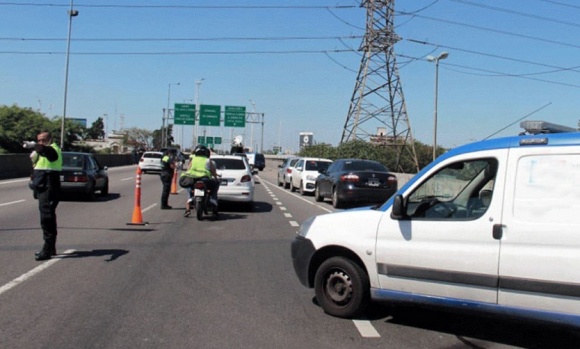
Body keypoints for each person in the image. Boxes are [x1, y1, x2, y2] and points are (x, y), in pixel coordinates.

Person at [29, 131, 62, 261]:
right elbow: (35, 166)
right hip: (41, 185)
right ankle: (51, 247)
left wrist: (39, 148)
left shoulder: (53, 149)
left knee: (46, 218)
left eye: (43, 140)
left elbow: (51, 155)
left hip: (49, 185)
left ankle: (47, 248)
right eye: (39, 140)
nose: (41, 142)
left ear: (50, 140)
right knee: (48, 217)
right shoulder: (40, 152)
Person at [183, 145, 219, 217]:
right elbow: (212, 171)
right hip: (205, 179)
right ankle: (213, 199)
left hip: (194, 179)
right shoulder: (208, 160)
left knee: (189, 188)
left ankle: (188, 205)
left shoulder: (193, 160)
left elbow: (188, 169)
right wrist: (216, 178)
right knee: (216, 185)